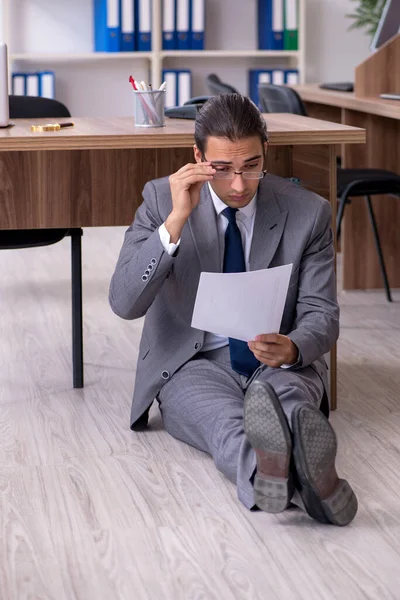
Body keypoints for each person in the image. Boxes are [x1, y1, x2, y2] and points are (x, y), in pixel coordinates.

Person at [109, 93, 357, 526]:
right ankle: (313, 485)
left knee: (290, 405)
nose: (239, 184)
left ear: (267, 153)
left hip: (278, 359)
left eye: (251, 167)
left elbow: (322, 313)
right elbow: (124, 302)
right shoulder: (160, 200)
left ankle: (279, 471)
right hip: (193, 361)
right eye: (221, 169)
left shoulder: (309, 212)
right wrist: (175, 224)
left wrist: (295, 347)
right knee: (225, 425)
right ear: (197, 157)